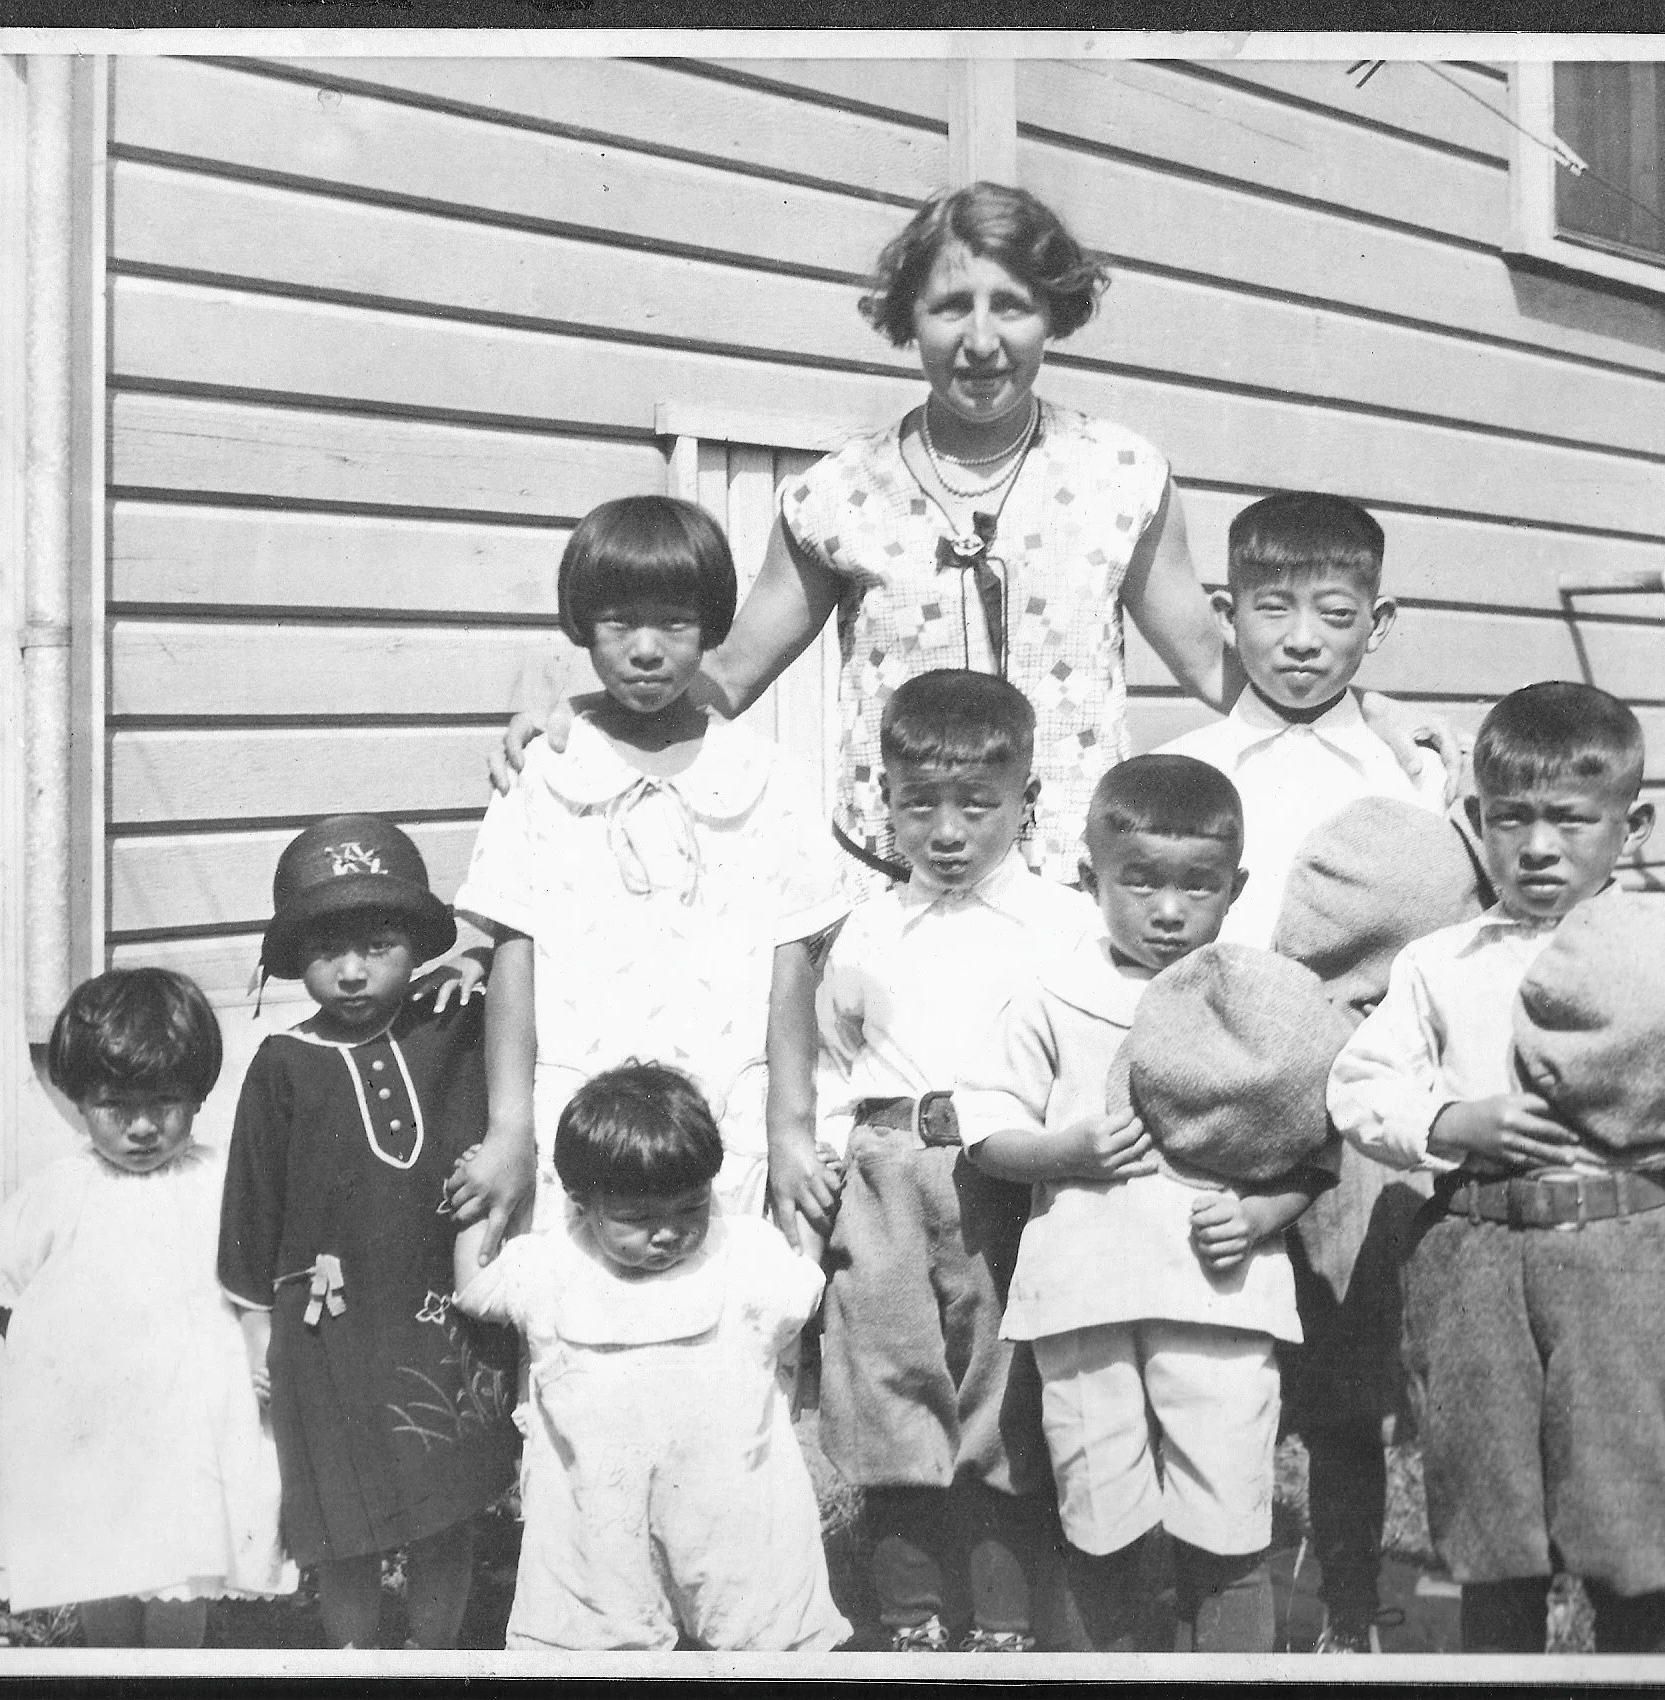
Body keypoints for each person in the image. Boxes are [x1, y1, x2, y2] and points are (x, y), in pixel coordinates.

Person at [490, 184, 1441, 895]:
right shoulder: (839, 492)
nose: (981, 340)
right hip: (893, 868)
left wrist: (1373, 715)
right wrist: (564, 692)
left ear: (1053, 316)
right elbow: (727, 675)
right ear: (909, 317)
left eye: (1012, 305)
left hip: (1073, 873)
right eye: (951, 307)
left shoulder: (1120, 473)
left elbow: (1214, 663)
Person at [1327, 681, 1665, 1653]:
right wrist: (1451, 1117)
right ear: (1472, 819)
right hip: (1473, 1257)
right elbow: (1358, 1086)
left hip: (1628, 1259)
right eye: (1509, 819)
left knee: (1630, 1509)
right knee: (1489, 1512)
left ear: (1630, 823)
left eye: (1570, 820)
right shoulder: (1439, 962)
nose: (1537, 846)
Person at [956, 755, 1338, 1653]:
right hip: (1085, 1297)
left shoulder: (1263, 1000)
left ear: (1235, 888)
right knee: (1099, 1510)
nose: (1168, 911)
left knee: (1227, 1513)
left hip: (1220, 1293)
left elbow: (1320, 1141)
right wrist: (1060, 1150)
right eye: (1140, 883)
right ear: (1091, 878)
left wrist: (1261, 1215)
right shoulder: (1051, 995)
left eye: (1197, 886)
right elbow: (984, 1125)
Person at [1155, 490, 1449, 1650]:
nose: (1299, 637)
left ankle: (1351, 1612)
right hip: (1216, 1095)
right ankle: (1206, 1609)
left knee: (1341, 1380)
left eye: (1334, 613)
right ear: (1225, 612)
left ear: (1378, 623)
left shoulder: (1408, 773)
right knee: (1209, 1359)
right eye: (1270, 608)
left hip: (1351, 1098)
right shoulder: (1188, 763)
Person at [451, 495, 846, 1230]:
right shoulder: (543, 772)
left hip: (726, 1113)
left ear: (712, 624)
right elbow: (515, 953)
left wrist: (791, 1131)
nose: (645, 648)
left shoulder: (768, 778)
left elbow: (793, 967)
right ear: (581, 624)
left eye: (674, 622)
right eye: (619, 622)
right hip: (576, 1114)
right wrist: (508, 1129)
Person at [810, 669, 1096, 1651]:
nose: (944, 831)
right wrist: (816, 1154)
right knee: (887, 1388)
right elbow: (828, 1059)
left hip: (1000, 1177)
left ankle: (1007, 1621)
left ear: (1026, 801)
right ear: (882, 800)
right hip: (883, 1170)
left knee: (1001, 1391)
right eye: (915, 804)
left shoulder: (1063, 925)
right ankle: (911, 1618)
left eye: (975, 806)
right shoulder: (869, 922)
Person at [219, 815, 521, 1649]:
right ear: (295, 960)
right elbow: (251, 1210)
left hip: (439, 1318)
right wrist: (255, 1331)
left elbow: (537, 956)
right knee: (339, 1526)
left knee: (445, 1511)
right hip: (330, 1333)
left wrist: (479, 957)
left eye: (379, 945)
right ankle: (350, 1662)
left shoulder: (454, 1023)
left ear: (417, 947)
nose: (352, 971)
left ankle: (436, 1655)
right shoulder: (282, 1064)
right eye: (326, 953)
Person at [452, 1062, 848, 1652]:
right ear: (582, 1202)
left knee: (765, 1630)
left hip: (731, 1512)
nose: (668, 1234)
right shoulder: (552, 1266)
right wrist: (479, 1203)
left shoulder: (741, 1254)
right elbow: (477, 1288)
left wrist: (810, 1196)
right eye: (637, 1220)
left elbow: (804, 1282)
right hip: (599, 1517)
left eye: (689, 1208)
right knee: (597, 1641)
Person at [0, 968, 296, 1646]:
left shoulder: (222, 1181)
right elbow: (4, 1294)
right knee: (103, 1560)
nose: (145, 1126)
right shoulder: (59, 1193)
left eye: (166, 1101)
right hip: (99, 1429)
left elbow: (257, 1278)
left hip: (193, 1424)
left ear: (199, 1093)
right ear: (78, 1101)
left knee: (188, 1558)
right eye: (116, 1107)